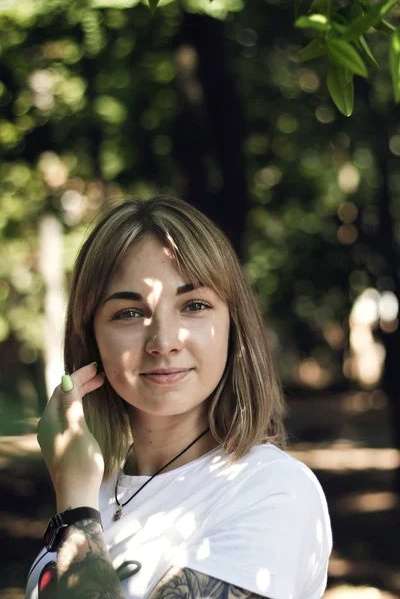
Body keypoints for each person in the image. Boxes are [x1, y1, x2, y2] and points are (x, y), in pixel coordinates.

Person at [25, 196, 332, 599]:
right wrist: (80, 493)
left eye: (194, 306)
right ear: (91, 339)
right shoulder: (96, 488)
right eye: (129, 313)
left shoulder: (273, 491)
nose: (164, 342)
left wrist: (75, 506)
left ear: (233, 326)